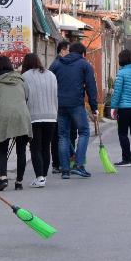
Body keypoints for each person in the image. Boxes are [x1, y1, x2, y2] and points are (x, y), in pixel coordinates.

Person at [50, 41, 99, 179]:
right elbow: (91, 87)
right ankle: (78, 165)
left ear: (70, 51)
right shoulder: (84, 65)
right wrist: (94, 107)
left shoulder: (56, 64)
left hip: (59, 105)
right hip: (76, 104)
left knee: (63, 136)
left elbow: (49, 82)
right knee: (84, 132)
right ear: (83, 54)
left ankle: (65, 170)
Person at [0, 56, 32, 192]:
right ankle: (19, 182)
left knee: (2, 149)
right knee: (21, 151)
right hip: (22, 116)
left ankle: (3, 178)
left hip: (4, 117)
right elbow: (27, 97)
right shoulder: (21, 80)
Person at [22, 53, 57, 188]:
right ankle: (44, 176)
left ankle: (40, 177)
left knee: (35, 148)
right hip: (51, 116)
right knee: (45, 147)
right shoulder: (51, 75)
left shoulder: (24, 77)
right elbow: (55, 95)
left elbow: (24, 97)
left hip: (34, 116)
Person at [50, 41, 73, 174]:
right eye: (68, 50)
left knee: (60, 135)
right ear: (62, 50)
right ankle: (58, 163)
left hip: (59, 103)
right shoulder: (57, 65)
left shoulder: (57, 64)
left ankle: (59, 163)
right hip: (58, 105)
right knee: (59, 135)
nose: (69, 54)